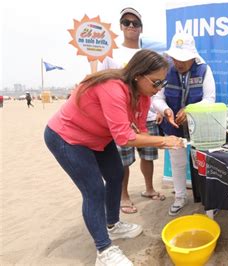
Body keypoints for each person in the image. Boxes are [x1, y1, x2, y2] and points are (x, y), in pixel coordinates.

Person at [44, 49, 184, 265]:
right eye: (156, 83)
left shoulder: (144, 95)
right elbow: (124, 137)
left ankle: (113, 225)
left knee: (116, 175)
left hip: (98, 136)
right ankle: (104, 250)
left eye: (162, 84)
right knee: (94, 190)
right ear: (138, 75)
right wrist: (164, 141)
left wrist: (165, 140)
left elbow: (140, 132)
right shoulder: (113, 87)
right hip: (67, 137)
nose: (158, 89)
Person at [98, 7, 165, 214]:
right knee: (123, 158)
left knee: (148, 154)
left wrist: (160, 107)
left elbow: (153, 88)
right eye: (126, 22)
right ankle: (123, 195)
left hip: (148, 114)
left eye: (135, 23)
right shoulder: (111, 53)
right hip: (122, 116)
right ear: (120, 26)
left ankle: (149, 188)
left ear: (141, 28)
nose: (131, 26)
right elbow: (102, 84)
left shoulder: (149, 54)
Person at [154, 32, 216, 216]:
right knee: (177, 162)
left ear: (193, 56)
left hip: (199, 126)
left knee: (203, 163)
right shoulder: (166, 71)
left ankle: (208, 200)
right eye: (175, 58)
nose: (179, 63)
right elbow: (157, 97)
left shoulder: (204, 69)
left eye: (184, 58)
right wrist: (165, 110)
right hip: (172, 126)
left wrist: (190, 110)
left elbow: (209, 99)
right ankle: (180, 197)